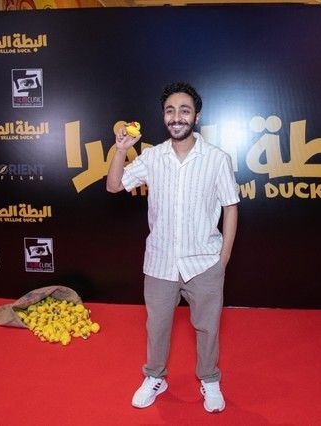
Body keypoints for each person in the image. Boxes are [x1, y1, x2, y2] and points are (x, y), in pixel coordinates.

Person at [106, 82, 239, 413]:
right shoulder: (152, 157)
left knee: (208, 328)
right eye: (170, 110)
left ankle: (209, 379)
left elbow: (230, 206)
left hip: (204, 262)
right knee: (157, 327)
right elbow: (113, 186)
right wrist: (121, 150)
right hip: (160, 262)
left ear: (197, 116)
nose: (176, 117)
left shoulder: (217, 159)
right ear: (163, 116)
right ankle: (155, 377)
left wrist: (223, 258)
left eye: (184, 110)